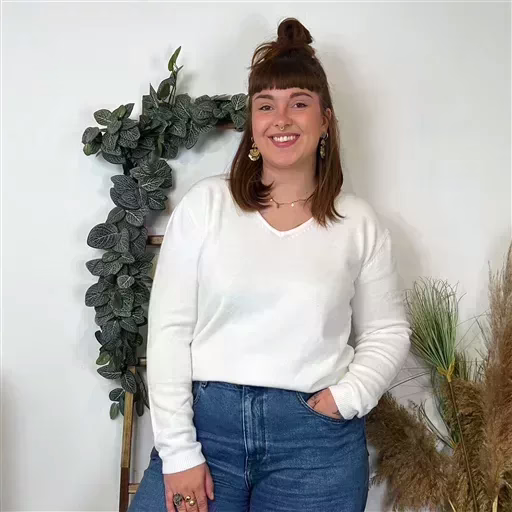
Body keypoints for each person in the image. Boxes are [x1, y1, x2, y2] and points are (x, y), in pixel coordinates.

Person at [128, 17, 411, 512]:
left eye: (298, 103)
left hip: (314, 445)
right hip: (207, 432)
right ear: (253, 124)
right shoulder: (206, 206)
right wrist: (178, 451)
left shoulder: (358, 223)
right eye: (266, 105)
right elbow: (170, 330)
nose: (281, 119)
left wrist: (346, 399)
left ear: (325, 120)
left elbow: (387, 330)